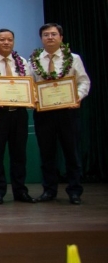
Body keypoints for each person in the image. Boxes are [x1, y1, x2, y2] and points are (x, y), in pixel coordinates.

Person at [31, 23, 90, 204]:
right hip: (44, 113)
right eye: (46, 35)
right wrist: (33, 98)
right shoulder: (34, 60)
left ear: (61, 38)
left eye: (53, 34)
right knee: (47, 153)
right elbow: (29, 84)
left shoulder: (73, 58)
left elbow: (84, 81)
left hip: (67, 112)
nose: (50, 37)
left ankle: (74, 191)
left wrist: (77, 97)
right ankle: (49, 190)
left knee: (71, 152)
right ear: (41, 38)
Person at [0, 29, 37, 205]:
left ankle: (20, 191)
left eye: (10, 39)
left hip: (19, 114)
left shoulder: (22, 62)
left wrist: (31, 97)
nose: (6, 42)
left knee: (19, 154)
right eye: (2, 39)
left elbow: (30, 84)